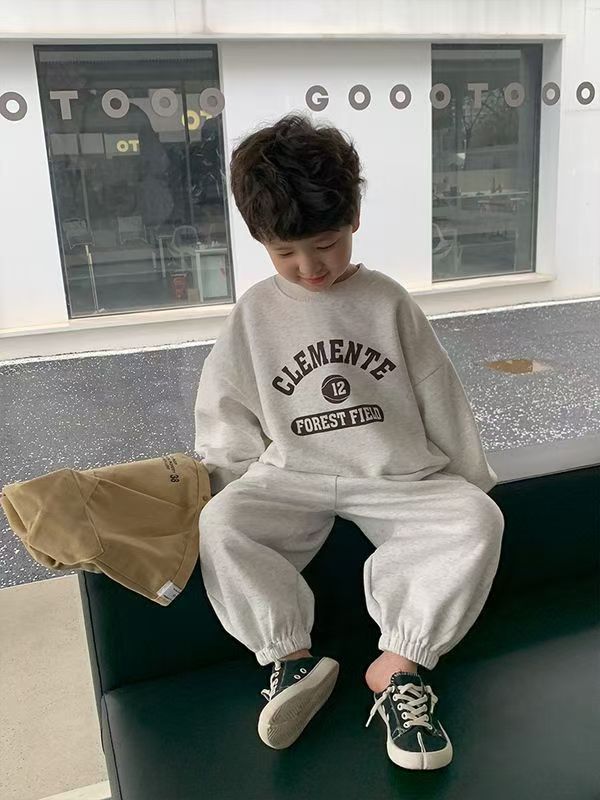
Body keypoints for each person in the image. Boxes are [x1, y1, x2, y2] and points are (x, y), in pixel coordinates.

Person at [193, 112, 504, 770]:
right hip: (292, 475)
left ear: (354, 219)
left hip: (394, 476)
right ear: (259, 240)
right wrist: (232, 475)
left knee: (478, 517)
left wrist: (467, 478)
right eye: (285, 253)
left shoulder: (387, 302)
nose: (309, 267)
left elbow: (438, 391)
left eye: (326, 244)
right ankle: (289, 658)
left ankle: (399, 667)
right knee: (221, 523)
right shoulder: (254, 314)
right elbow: (226, 403)